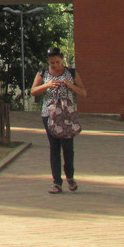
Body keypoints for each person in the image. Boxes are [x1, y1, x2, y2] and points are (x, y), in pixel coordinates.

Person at [30, 46, 87, 194]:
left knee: (68, 147)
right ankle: (56, 182)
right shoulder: (43, 73)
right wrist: (47, 85)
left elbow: (83, 93)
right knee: (54, 147)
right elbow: (33, 91)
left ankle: (70, 177)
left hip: (67, 115)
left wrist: (70, 85)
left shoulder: (71, 73)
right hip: (49, 115)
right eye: (52, 63)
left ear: (62, 59)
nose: (55, 65)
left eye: (57, 62)